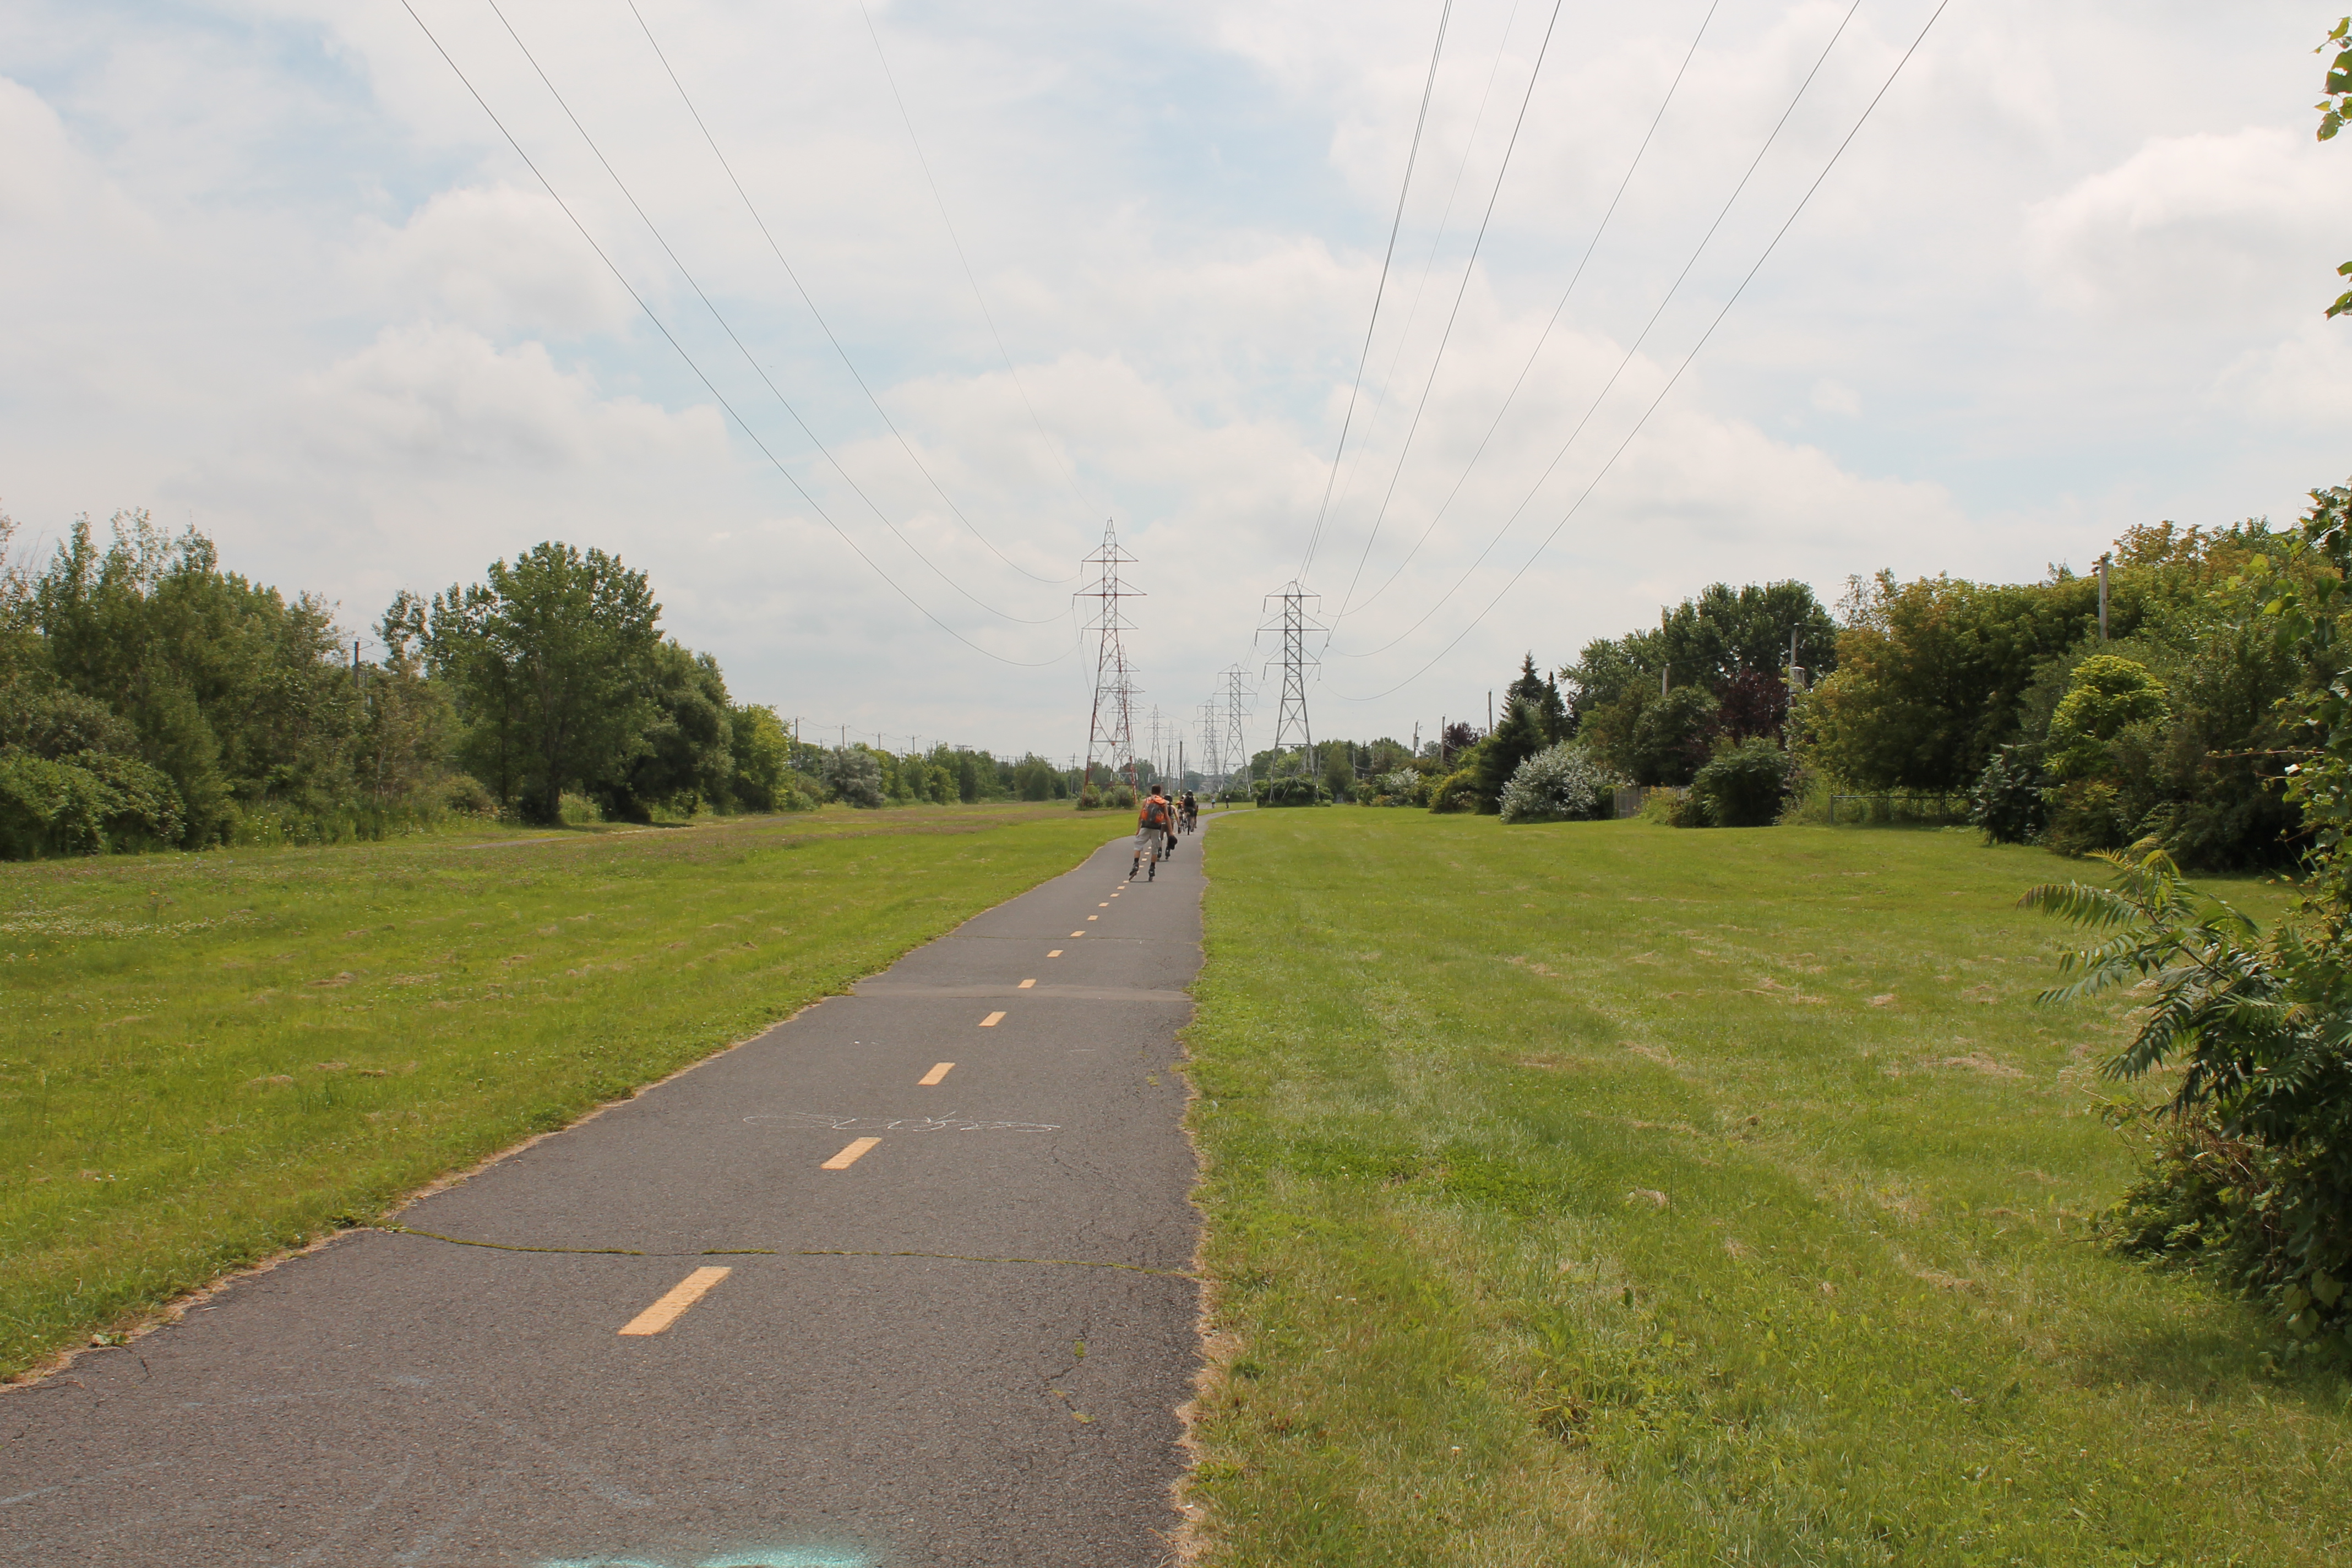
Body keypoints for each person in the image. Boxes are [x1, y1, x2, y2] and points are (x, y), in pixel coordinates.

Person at [1132, 785, 1174, 880]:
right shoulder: (1163, 802)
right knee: (1155, 848)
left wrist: (1138, 830)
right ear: (1160, 792)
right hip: (1156, 828)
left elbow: (1140, 817)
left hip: (1145, 826)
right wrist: (1171, 832)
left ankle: (1136, 864)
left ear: (1151, 791)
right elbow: (1167, 817)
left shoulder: (1146, 801)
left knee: (1138, 845)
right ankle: (1152, 868)